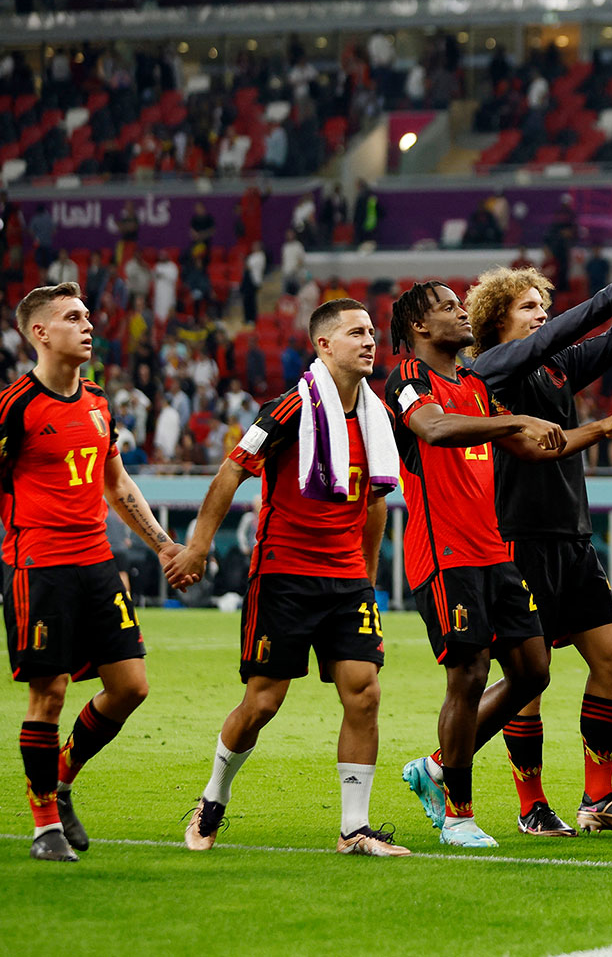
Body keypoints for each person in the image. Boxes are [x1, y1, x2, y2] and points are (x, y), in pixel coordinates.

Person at [0, 282, 186, 862]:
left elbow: (116, 486)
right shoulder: (8, 407)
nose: (88, 325)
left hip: (97, 563)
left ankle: (62, 776)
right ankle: (44, 825)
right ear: (40, 332)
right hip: (38, 566)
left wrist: (165, 544)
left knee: (131, 687)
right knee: (50, 693)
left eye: (88, 316)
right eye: (73, 317)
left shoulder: (97, 403)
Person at [168, 299, 410, 858]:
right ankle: (213, 798)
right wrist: (200, 545)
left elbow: (375, 500)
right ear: (324, 345)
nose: (370, 341)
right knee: (263, 703)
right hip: (285, 575)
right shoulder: (289, 409)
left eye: (372, 332)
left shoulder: (377, 417)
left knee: (365, 693)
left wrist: (367, 576)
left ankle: (355, 829)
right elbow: (233, 467)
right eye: (356, 333)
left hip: (346, 579)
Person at [383, 279, 603, 846]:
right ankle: (458, 813)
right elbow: (433, 428)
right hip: (445, 552)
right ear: (420, 327)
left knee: (533, 670)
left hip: (497, 550)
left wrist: (599, 428)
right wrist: (515, 421)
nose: (462, 314)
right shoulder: (408, 377)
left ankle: (434, 767)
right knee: (470, 675)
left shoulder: (477, 384)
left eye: (461, 305)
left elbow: (531, 448)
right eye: (448, 308)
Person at [435, 268, 612, 838]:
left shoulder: (554, 368)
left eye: (541, 305)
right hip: (517, 537)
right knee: (529, 674)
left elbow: (606, 341)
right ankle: (530, 804)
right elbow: (565, 337)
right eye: (528, 307)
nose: (540, 314)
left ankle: (597, 798)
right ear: (497, 318)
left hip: (572, 538)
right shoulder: (488, 370)